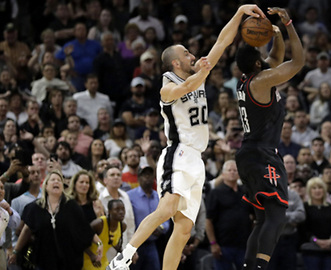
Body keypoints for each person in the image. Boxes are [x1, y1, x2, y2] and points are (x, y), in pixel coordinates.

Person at [107, 4, 266, 270]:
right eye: (187, 53)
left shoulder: (197, 73)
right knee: (167, 208)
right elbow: (186, 88)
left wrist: (239, 13)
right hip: (177, 153)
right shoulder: (167, 86)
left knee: (183, 230)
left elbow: (223, 42)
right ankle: (124, 256)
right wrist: (203, 71)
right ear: (175, 62)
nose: (193, 55)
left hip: (197, 159)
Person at [234, 6, 304, 270]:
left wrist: (275, 35)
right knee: (277, 216)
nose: (265, 56)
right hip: (263, 154)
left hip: (249, 154)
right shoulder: (261, 81)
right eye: (260, 55)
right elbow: (297, 63)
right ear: (256, 64)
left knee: (263, 220)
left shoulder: (249, 79)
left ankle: (250, 267)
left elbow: (276, 57)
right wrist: (288, 25)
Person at [8, 170, 101, 269]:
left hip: (69, 260)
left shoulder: (72, 206)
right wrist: (15, 251)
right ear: (46, 186)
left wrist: (99, 243)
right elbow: (26, 230)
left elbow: (84, 229)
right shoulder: (35, 207)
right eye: (53, 180)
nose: (56, 182)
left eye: (59, 180)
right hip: (43, 259)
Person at [206, 160, 253, 270]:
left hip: (244, 245)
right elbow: (208, 220)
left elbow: (254, 216)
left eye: (235, 170)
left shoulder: (246, 192)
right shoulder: (216, 193)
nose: (232, 172)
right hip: (223, 245)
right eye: (229, 170)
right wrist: (213, 243)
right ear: (223, 174)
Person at [90, 199, 127, 270]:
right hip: (88, 260)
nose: (121, 212)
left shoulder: (122, 226)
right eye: (117, 209)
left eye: (123, 209)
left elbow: (112, 242)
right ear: (109, 211)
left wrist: (126, 253)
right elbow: (81, 238)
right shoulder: (99, 224)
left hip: (102, 261)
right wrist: (92, 255)